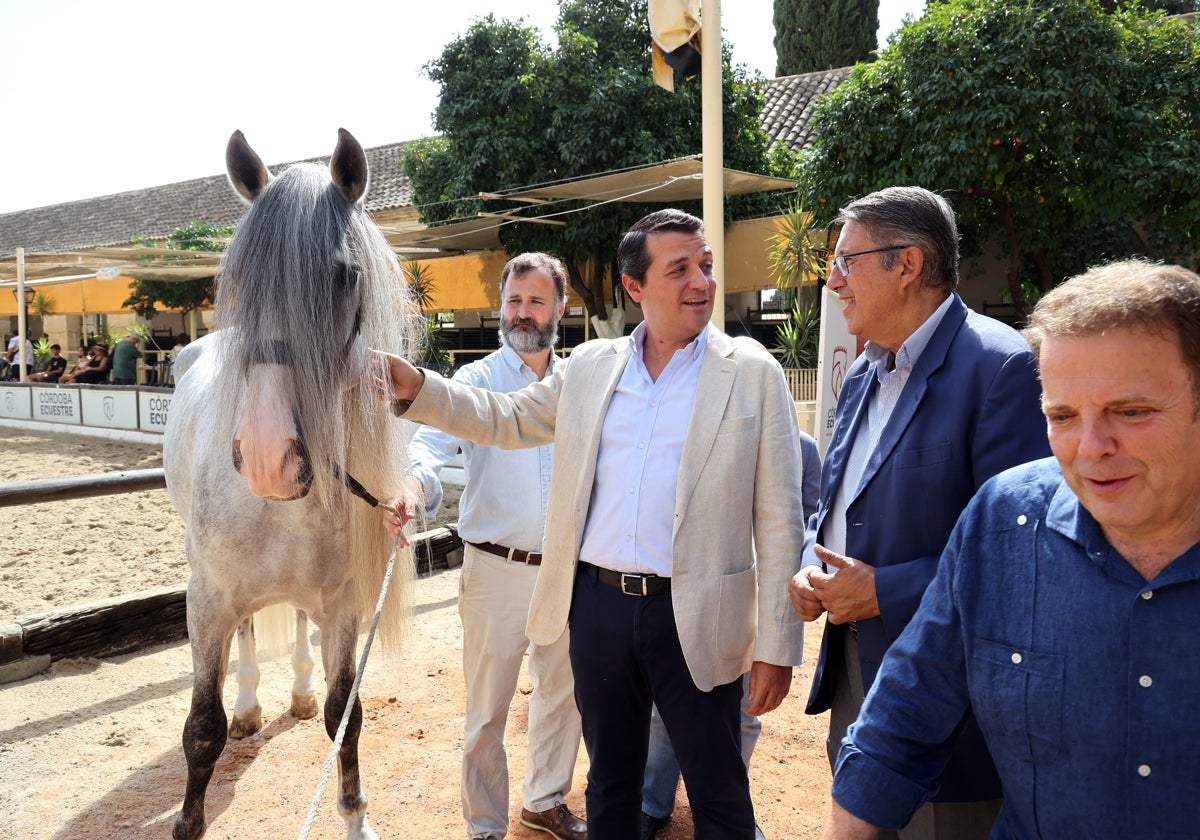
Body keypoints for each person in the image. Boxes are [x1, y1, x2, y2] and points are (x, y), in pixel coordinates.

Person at [380, 209, 807, 839]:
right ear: (634, 288)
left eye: (707, 267)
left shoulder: (750, 373)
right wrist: (419, 386)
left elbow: (779, 521)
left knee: (718, 790)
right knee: (610, 783)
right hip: (599, 611)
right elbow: (503, 418)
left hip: (698, 615)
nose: (702, 283)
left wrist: (777, 645)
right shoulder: (591, 368)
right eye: (680, 269)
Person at [821, 258, 1200, 838]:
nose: (1092, 446)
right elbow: (906, 710)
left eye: (1132, 412)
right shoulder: (1005, 520)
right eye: (1063, 416)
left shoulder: (984, 369)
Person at [788, 186, 1050, 839]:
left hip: (947, 701)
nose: (834, 279)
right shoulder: (863, 373)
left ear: (906, 265)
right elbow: (833, 503)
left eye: (848, 260)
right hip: (854, 671)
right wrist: (807, 565)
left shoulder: (999, 367)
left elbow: (1021, 554)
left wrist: (883, 590)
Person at [390, 253, 586, 840]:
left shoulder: (579, 383)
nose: (522, 313)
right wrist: (412, 485)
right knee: (486, 712)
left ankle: (544, 801)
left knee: (562, 698)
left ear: (560, 308)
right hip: (495, 570)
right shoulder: (473, 382)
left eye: (536, 301)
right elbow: (429, 448)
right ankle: (484, 826)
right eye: (513, 301)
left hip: (566, 573)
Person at [641, 428, 822, 840]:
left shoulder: (802, 448)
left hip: (760, 602)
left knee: (744, 714)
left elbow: (812, 522)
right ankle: (653, 801)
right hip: (696, 595)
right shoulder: (701, 427)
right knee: (664, 710)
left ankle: (729, 808)